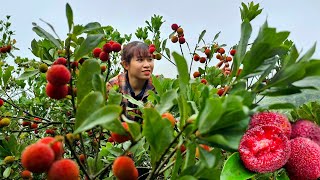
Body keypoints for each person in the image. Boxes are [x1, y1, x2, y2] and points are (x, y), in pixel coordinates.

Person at [106, 41, 155, 123]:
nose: (147, 65)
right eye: (140, 60)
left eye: (150, 59)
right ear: (126, 65)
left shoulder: (158, 86)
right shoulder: (113, 86)